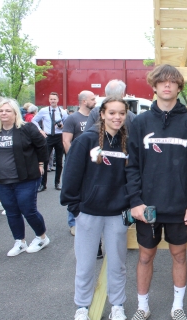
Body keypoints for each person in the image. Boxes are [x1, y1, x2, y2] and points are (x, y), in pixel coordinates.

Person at [126, 64, 187, 320]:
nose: (167, 85)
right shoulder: (140, 123)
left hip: (180, 206)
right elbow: (132, 167)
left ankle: (177, 306)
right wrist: (135, 201)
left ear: (179, 87)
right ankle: (142, 306)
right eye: (162, 82)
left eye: (172, 82)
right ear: (154, 86)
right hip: (147, 207)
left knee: (179, 255)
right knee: (145, 256)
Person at [60, 97, 130, 320]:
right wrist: (75, 207)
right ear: (102, 114)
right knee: (86, 262)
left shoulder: (128, 143)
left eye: (121, 113)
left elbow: (133, 177)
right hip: (88, 212)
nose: (116, 117)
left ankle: (117, 305)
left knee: (117, 264)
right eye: (112, 113)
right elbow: (71, 175)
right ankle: (82, 306)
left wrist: (128, 205)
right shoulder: (86, 141)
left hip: (117, 213)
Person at [0, 98, 50, 256]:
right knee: (11, 212)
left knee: (28, 210)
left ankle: (42, 237)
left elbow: (42, 145)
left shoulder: (26, 128)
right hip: (2, 180)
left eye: (8, 111)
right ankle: (19, 242)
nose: (4, 113)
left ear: (15, 113)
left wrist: (41, 164)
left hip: (26, 178)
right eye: (1, 110)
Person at [62, 90, 96, 237]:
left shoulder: (95, 117)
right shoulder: (72, 118)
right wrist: (75, 160)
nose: (95, 101)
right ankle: (73, 223)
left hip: (94, 162)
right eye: (92, 99)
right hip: (78, 162)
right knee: (75, 191)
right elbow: (66, 140)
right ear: (84, 101)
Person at [32, 92, 68, 191]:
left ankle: (57, 183)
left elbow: (68, 123)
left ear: (57, 100)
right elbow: (34, 121)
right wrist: (40, 130)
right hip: (47, 137)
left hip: (59, 136)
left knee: (60, 161)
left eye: (54, 99)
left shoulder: (62, 112)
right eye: (51, 99)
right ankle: (43, 184)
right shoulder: (43, 111)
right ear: (49, 100)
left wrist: (62, 126)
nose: (53, 101)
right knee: (45, 160)